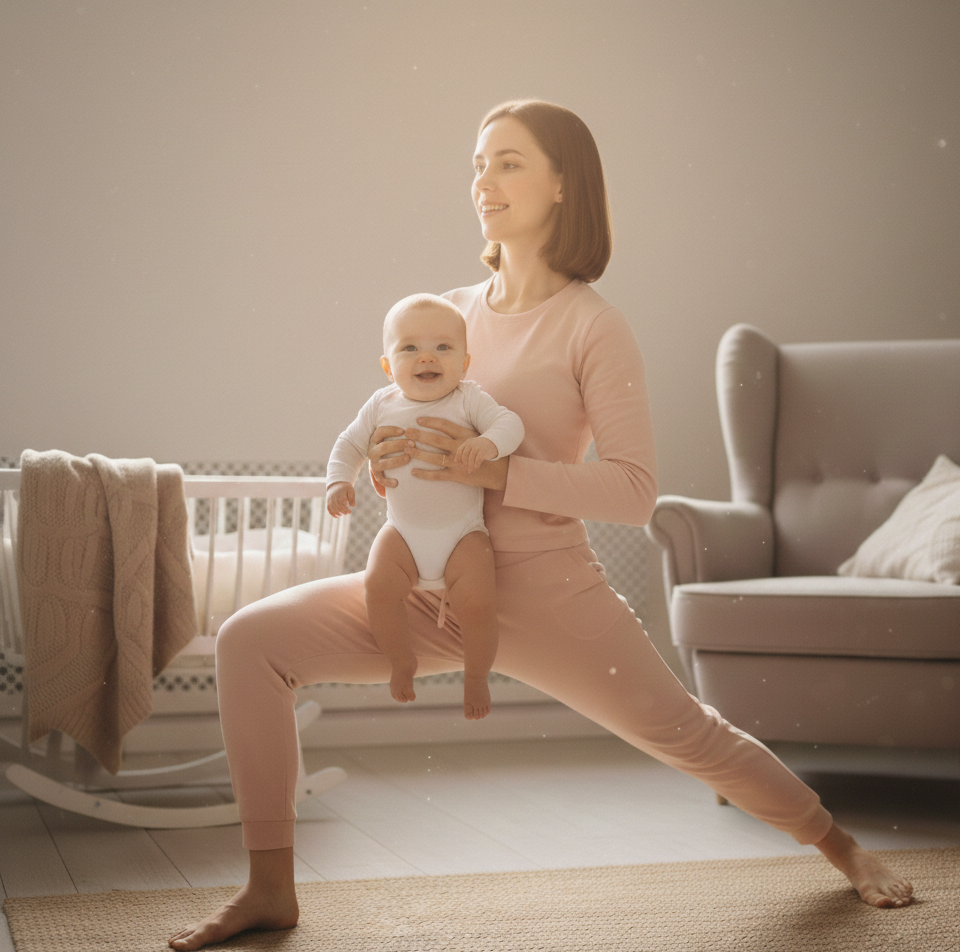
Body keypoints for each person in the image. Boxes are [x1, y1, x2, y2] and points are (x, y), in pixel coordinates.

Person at [169, 99, 913, 951]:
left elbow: (633, 492)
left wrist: (500, 472)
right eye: (477, 164)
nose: (483, 180)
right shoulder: (448, 315)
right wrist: (384, 462)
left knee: (686, 733)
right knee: (250, 643)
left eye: (509, 162)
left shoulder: (594, 325)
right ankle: (270, 889)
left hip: (544, 592)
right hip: (425, 587)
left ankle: (842, 846)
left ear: (564, 183)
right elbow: (391, 420)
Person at [325, 292, 524, 718]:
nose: (426, 357)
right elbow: (349, 444)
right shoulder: (381, 404)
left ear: (465, 363)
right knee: (378, 587)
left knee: (479, 605)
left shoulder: (468, 399)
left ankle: (476, 676)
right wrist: (339, 481)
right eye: (410, 348)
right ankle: (401, 660)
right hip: (402, 533)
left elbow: (510, 424)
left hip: (463, 534)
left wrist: (487, 443)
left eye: (443, 347)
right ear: (387, 366)